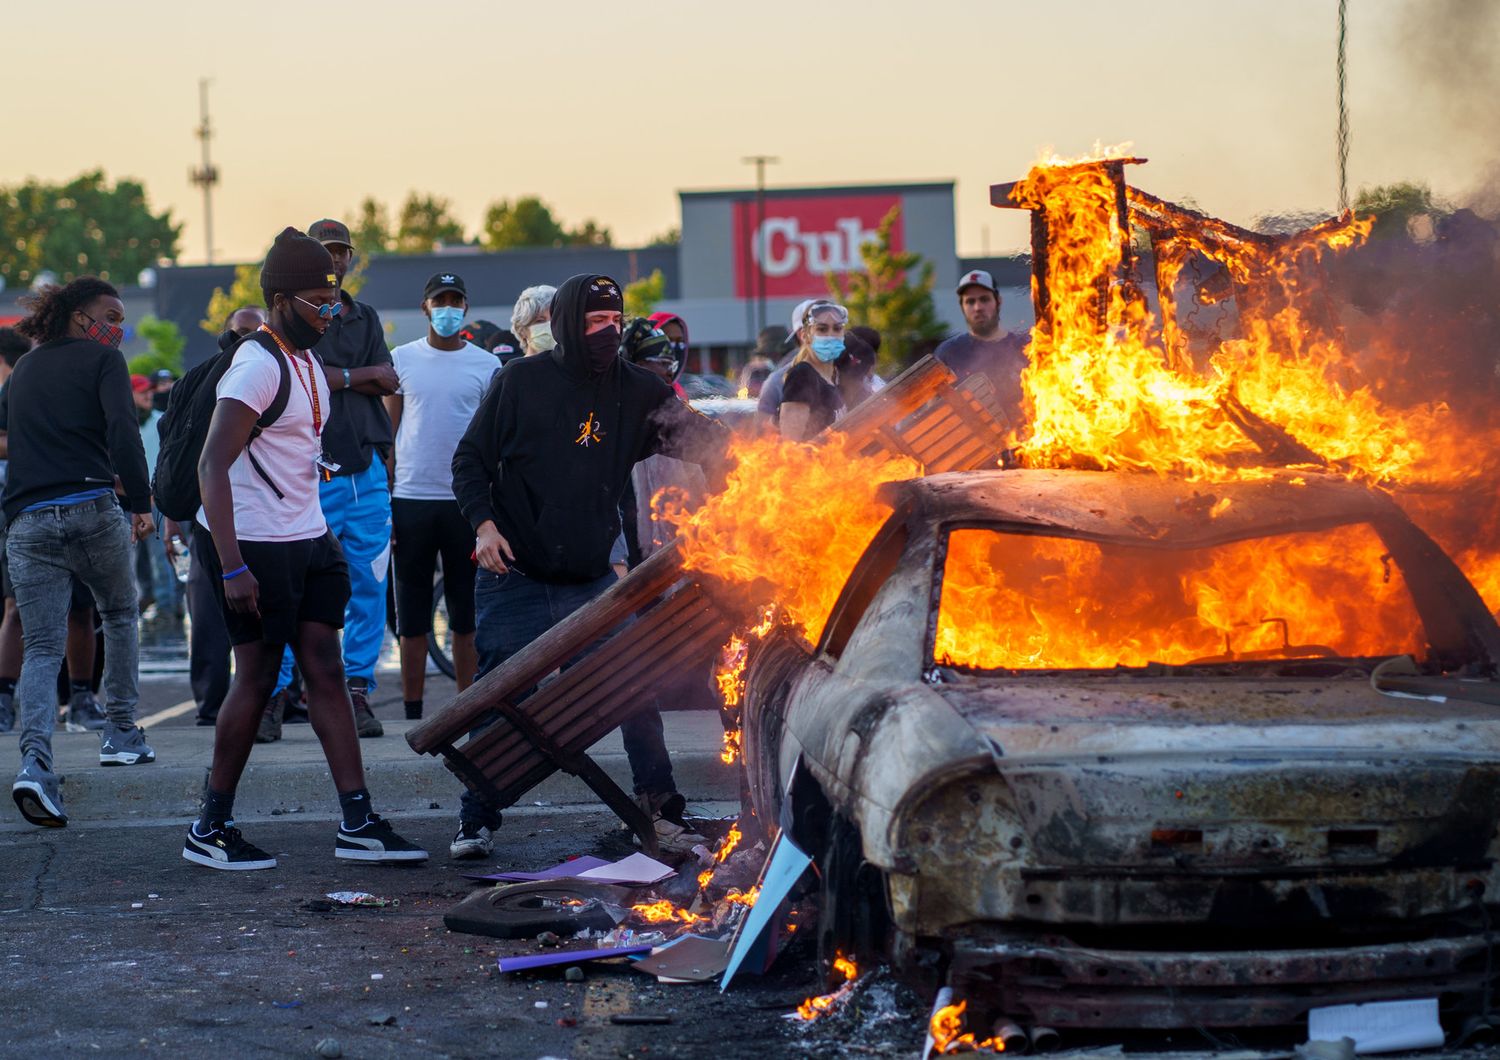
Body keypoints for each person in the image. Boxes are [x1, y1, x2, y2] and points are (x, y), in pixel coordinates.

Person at [449, 274, 727, 860]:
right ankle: (476, 816)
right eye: (596, 322)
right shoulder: (520, 382)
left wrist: (733, 496)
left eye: (615, 321)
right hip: (514, 575)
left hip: (592, 579)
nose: (608, 333)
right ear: (567, 324)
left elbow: (710, 443)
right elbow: (470, 460)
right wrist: (484, 526)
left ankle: (659, 809)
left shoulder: (638, 391)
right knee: (496, 693)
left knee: (634, 688)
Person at [186, 227, 425, 870]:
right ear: (281, 298)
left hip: (306, 537)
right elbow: (211, 466)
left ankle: (358, 821)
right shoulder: (257, 364)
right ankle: (210, 827)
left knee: (326, 668)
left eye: (334, 298)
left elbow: (299, 458)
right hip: (252, 546)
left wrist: (322, 536)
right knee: (259, 675)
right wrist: (232, 565)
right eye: (317, 302)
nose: (329, 312)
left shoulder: (309, 364)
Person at [2, 277, 157, 827]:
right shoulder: (103, 362)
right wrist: (141, 501)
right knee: (118, 612)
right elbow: (123, 430)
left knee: (42, 648)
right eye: (110, 316)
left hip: (26, 520)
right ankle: (119, 731)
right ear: (77, 316)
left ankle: (35, 765)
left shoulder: (23, 370)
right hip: (92, 505)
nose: (118, 328)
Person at [260, 218, 398, 741]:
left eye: (341, 252)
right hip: (308, 472)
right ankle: (275, 694)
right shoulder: (289, 321)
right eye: (326, 253)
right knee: (294, 588)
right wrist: (354, 378)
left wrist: (347, 377)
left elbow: (386, 377)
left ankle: (357, 690)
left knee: (368, 585)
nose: (335, 261)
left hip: (365, 470)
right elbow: (307, 375)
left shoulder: (363, 317)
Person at [385, 273, 493, 719]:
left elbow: (492, 441)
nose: (447, 309)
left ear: (465, 308)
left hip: (463, 503)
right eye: (439, 301)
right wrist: (387, 496)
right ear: (425, 307)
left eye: (455, 301)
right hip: (411, 498)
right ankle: (412, 710)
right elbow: (389, 432)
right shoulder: (401, 359)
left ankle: (464, 709)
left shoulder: (487, 366)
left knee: (465, 613)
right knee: (410, 614)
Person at [163, 307, 266, 726]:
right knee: (207, 620)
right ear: (225, 336)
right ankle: (210, 708)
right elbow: (174, 454)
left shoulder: (277, 374)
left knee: (271, 622)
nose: (249, 339)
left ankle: (276, 703)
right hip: (207, 520)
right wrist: (171, 520)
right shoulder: (202, 382)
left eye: (257, 332)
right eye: (241, 332)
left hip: (264, 518)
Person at [934, 269, 1028, 426]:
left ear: (998, 301)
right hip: (971, 448)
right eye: (970, 301)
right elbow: (934, 412)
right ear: (962, 306)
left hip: (1029, 446)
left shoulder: (1026, 347)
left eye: (984, 299)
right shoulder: (949, 352)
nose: (977, 307)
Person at [133, 375, 181, 620]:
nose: (148, 396)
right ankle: (151, 598)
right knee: (138, 560)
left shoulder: (159, 421)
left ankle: (167, 605)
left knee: (161, 555)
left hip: (155, 499)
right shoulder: (123, 423)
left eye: (149, 392)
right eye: (142, 392)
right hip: (128, 500)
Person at [773, 300, 851, 441]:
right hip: (813, 462)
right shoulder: (802, 375)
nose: (831, 335)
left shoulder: (834, 376)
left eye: (837, 328)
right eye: (822, 329)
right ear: (805, 335)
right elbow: (791, 443)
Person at [756, 298, 818, 431]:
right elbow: (763, 431)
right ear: (802, 335)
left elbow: (760, 431)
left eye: (836, 328)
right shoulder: (777, 381)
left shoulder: (775, 381)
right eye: (821, 329)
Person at [510, 284, 558, 357]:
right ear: (521, 330)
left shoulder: (575, 366)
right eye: (540, 321)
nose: (550, 325)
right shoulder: (516, 368)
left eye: (555, 319)